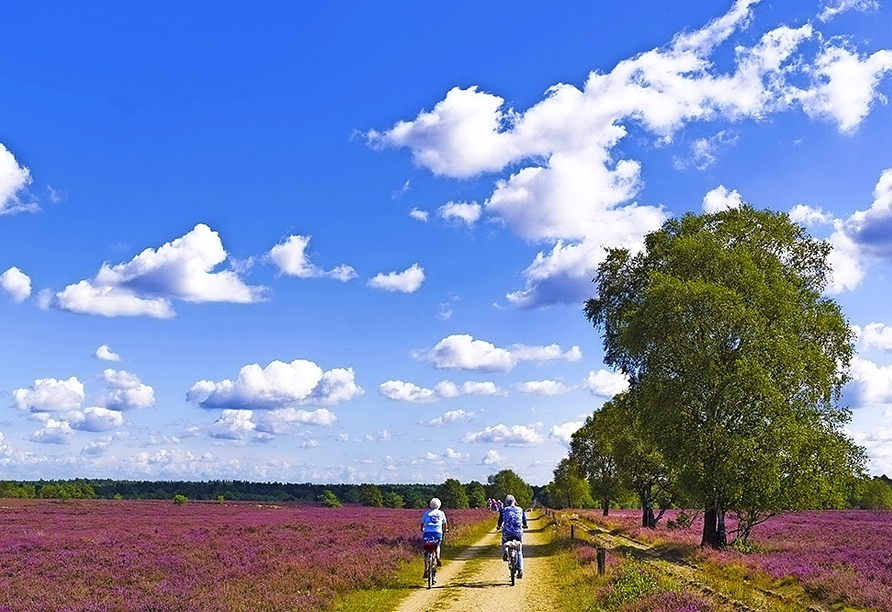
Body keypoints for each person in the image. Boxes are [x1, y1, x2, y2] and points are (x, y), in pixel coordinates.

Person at [497, 494, 528, 578]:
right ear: (514, 501)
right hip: (518, 533)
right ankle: (520, 569)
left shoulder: (503, 510)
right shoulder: (520, 509)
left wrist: (499, 526)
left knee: (504, 540)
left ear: (506, 502)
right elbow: (524, 521)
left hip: (507, 533)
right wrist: (525, 525)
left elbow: (500, 521)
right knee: (519, 551)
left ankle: (505, 552)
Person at [421, 497, 448, 577]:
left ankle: (426, 570)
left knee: (427, 550)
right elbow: (444, 524)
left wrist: (422, 529)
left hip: (427, 533)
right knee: (437, 545)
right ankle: (437, 557)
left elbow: (422, 523)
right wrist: (445, 530)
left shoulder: (427, 513)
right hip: (437, 533)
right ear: (439, 505)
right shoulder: (441, 513)